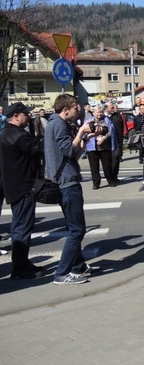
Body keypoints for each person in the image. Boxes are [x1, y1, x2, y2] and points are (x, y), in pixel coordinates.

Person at [44, 94, 96, 284]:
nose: (78, 110)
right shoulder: (58, 124)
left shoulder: (57, 124)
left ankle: (78, 266)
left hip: (66, 181)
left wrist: (86, 138)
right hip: (67, 183)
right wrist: (81, 130)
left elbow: (72, 155)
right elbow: (67, 151)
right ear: (66, 109)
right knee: (77, 230)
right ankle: (61, 273)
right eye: (76, 107)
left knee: (73, 227)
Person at [0, 102, 44, 279]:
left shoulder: (7, 133)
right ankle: (19, 268)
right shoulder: (17, 135)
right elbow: (38, 147)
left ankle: (23, 263)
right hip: (22, 187)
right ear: (16, 116)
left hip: (16, 186)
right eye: (26, 114)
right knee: (22, 228)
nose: (29, 116)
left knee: (23, 226)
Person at [84, 105, 118, 189]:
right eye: (97, 112)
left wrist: (103, 138)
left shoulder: (107, 120)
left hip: (105, 146)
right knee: (94, 167)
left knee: (107, 165)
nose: (99, 114)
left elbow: (111, 131)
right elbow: (85, 133)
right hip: (92, 147)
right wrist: (96, 138)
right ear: (93, 112)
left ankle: (110, 181)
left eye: (101, 112)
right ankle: (96, 183)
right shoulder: (88, 121)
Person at [105, 101, 126, 182]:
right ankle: (109, 177)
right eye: (111, 107)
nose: (113, 109)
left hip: (116, 142)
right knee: (108, 162)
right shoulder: (103, 117)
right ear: (106, 108)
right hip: (107, 142)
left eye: (113, 107)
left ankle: (114, 176)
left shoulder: (117, 116)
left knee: (116, 160)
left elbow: (121, 127)